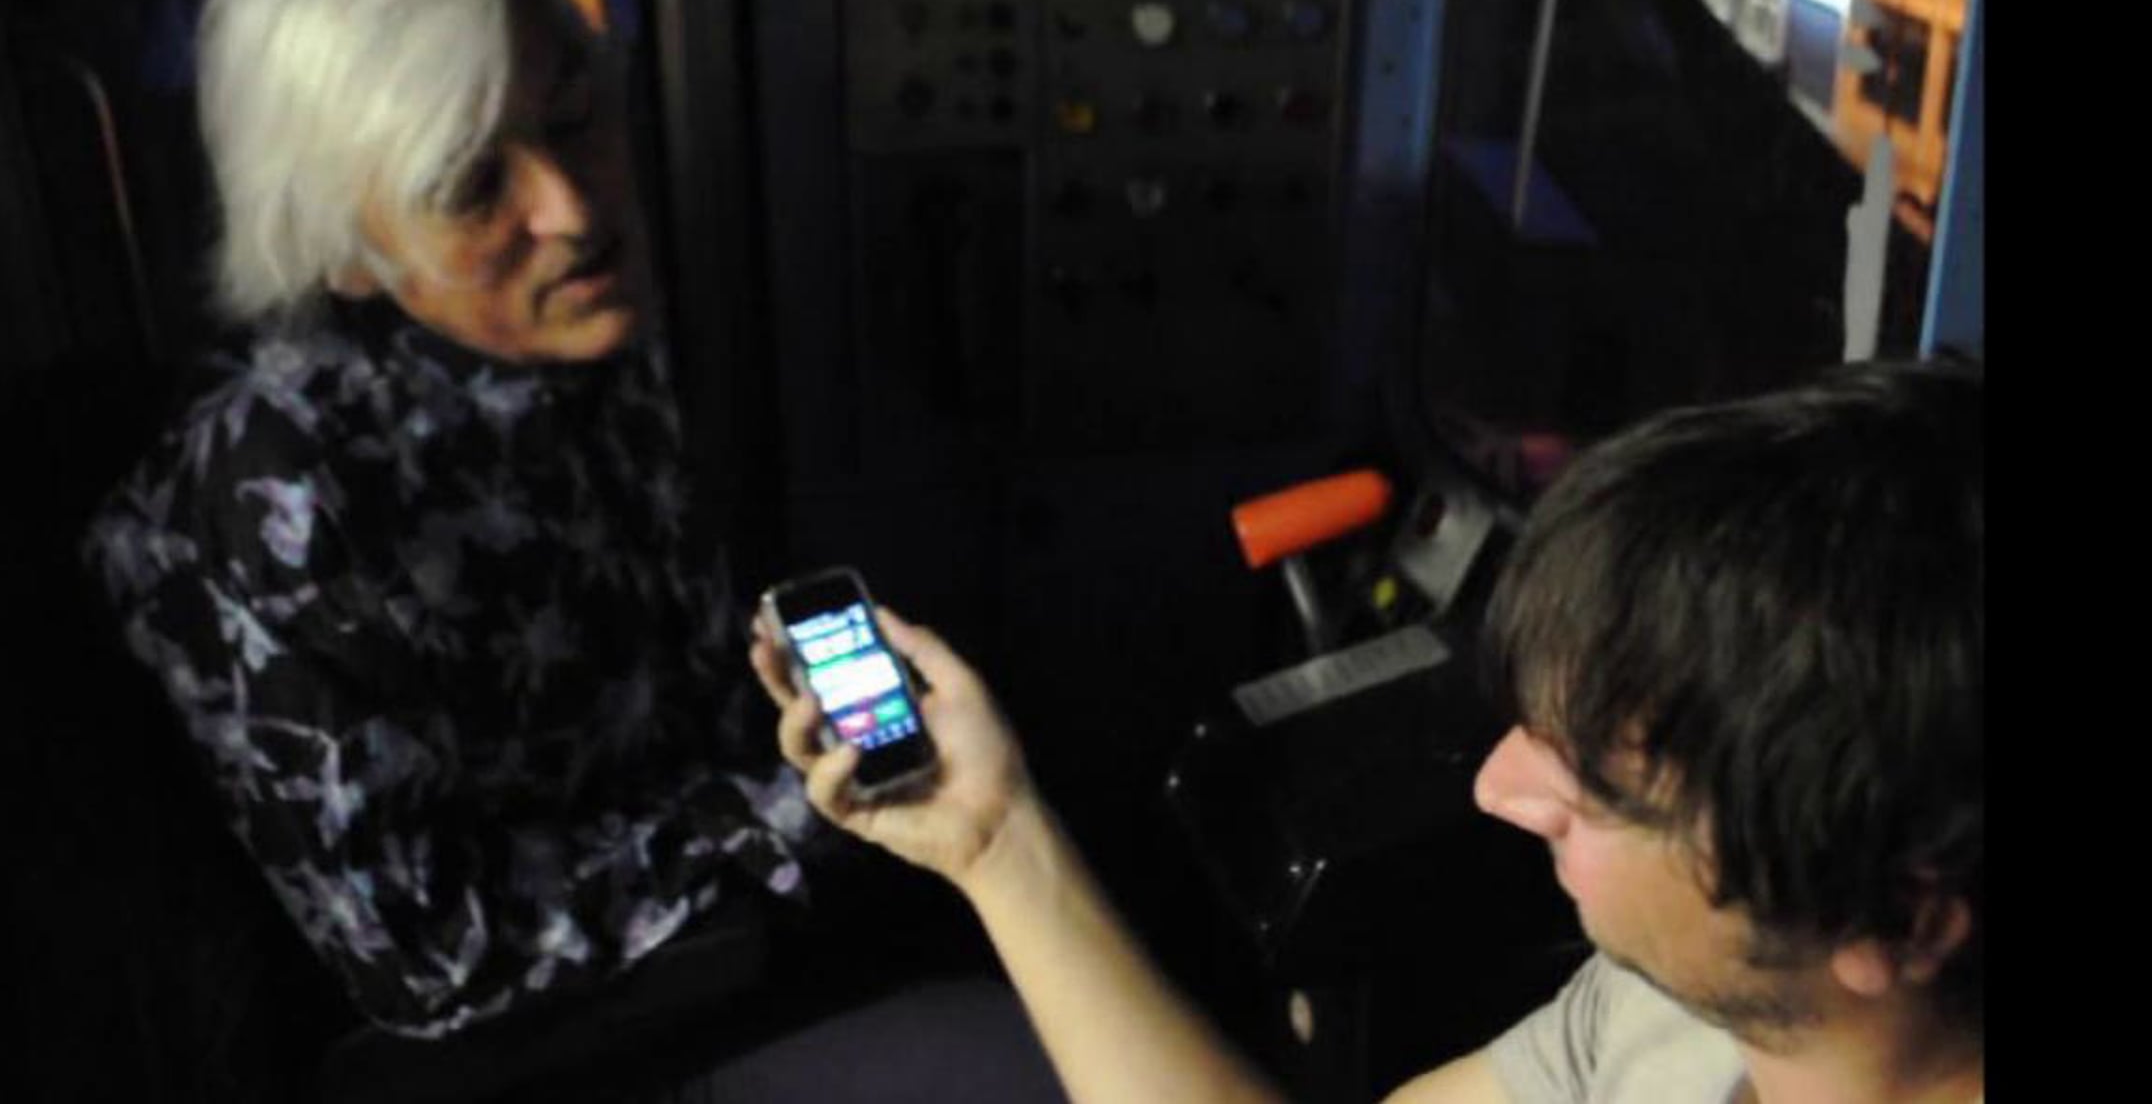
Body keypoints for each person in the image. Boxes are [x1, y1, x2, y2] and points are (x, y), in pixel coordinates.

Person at [753, 360, 1983, 1102]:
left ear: (1898, 921)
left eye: (1598, 788)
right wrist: (993, 839)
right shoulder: (1677, 1013)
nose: (1499, 787)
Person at [81, 0, 816, 1040]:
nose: (573, 208)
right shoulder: (270, 487)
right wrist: (786, 816)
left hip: (737, 942)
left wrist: (817, 741)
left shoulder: (582, 344)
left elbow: (685, 702)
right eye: (471, 182)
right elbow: (428, 958)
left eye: (574, 120)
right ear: (344, 245)